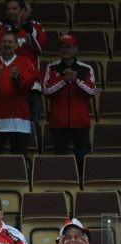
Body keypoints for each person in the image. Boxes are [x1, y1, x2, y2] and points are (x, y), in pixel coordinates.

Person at [42, 34, 97, 169]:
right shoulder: (52, 68)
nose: (65, 50)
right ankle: (63, 186)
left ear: (76, 49)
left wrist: (76, 81)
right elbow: (46, 91)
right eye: (62, 47)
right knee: (61, 159)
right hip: (58, 121)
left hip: (81, 121)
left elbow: (91, 92)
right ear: (58, 50)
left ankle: (82, 187)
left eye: (69, 47)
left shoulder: (86, 69)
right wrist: (64, 81)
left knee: (82, 157)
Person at [0, 31, 38, 155]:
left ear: (16, 45)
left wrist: (18, 77)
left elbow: (29, 85)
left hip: (19, 121)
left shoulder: (25, 62)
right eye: (4, 41)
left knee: (19, 162)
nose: (7, 44)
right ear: (0, 45)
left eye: (10, 42)